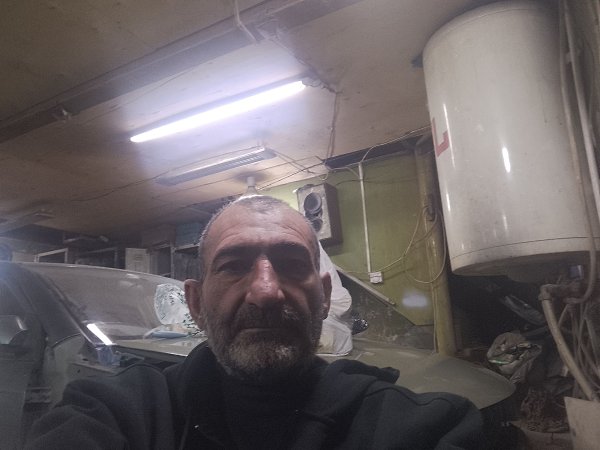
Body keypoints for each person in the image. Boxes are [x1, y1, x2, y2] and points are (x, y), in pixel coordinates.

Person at [25, 195, 484, 449]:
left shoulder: (421, 428)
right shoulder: (113, 413)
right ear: (195, 303)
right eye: (233, 265)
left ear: (325, 297)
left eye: (291, 264)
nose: (266, 291)